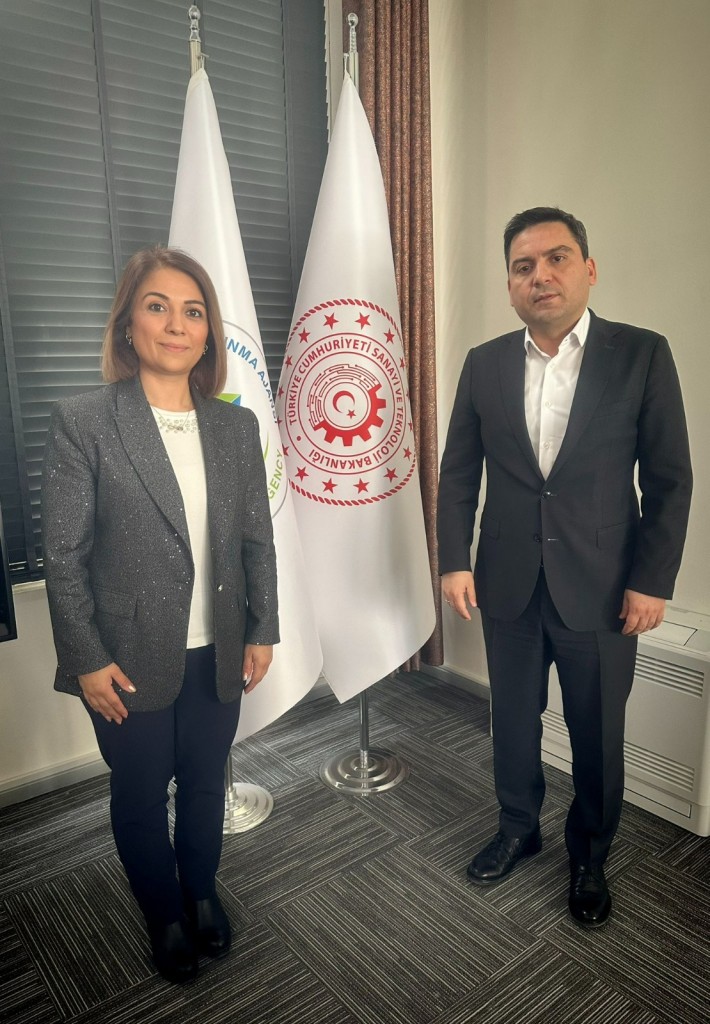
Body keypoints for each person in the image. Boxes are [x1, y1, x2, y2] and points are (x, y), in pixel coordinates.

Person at [437, 207, 692, 928]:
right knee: (513, 723)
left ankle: (590, 854)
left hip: (605, 589)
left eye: (557, 258)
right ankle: (518, 828)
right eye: (523, 266)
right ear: (509, 285)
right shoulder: (484, 363)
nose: (540, 275)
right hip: (507, 583)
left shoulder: (641, 354)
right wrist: (454, 561)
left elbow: (670, 479)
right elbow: (458, 473)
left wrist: (652, 580)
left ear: (589, 268)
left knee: (596, 732)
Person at [42, 246, 279, 982]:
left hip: (220, 647)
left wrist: (264, 627)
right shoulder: (85, 421)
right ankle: (164, 912)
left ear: (208, 333)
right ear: (128, 324)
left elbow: (256, 540)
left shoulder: (235, 429)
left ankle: (200, 891)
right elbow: (63, 556)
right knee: (141, 795)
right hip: (124, 657)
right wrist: (86, 658)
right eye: (158, 306)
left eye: (193, 311)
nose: (177, 324)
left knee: (207, 784)